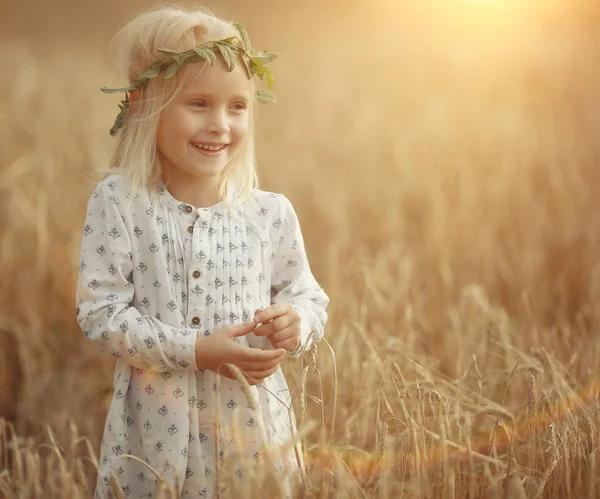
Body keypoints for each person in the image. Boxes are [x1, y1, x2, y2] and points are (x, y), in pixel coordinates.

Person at [75, 5, 329, 498]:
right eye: (198, 103)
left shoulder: (269, 214)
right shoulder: (121, 205)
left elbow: (308, 296)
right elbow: (99, 313)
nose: (220, 124)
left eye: (237, 107)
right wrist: (194, 351)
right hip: (155, 439)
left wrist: (295, 323)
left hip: (251, 438)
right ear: (145, 104)